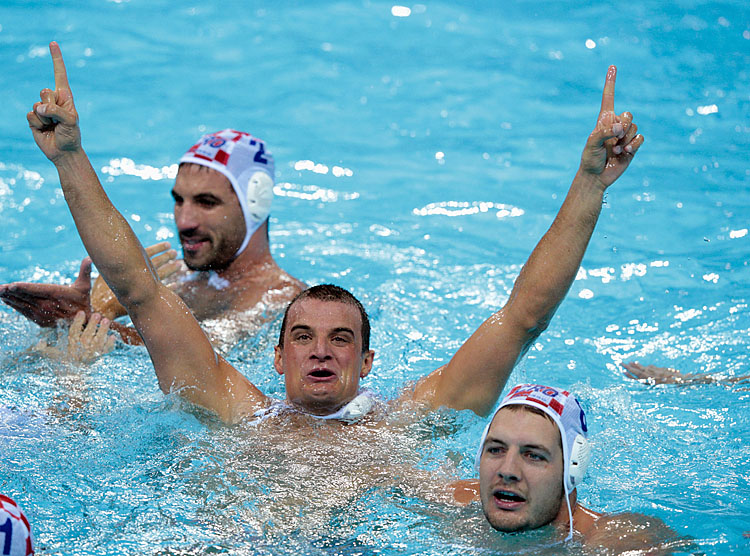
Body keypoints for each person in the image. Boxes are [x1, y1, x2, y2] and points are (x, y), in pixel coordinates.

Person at [25, 41, 641, 426]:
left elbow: (522, 317)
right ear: (277, 354)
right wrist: (70, 157)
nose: (320, 351)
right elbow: (139, 288)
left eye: (340, 339)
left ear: (367, 361)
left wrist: (590, 184)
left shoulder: (402, 429)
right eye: (303, 337)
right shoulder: (238, 412)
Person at [1, 125, 305, 350]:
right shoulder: (170, 275)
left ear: (256, 203)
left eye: (206, 202)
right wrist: (74, 315)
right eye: (179, 200)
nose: (184, 221)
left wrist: (95, 315)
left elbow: (198, 359)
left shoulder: (283, 302)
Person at [465, 384, 680, 551]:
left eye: (533, 456)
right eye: (495, 449)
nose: (508, 470)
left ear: (572, 469)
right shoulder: (455, 506)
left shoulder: (615, 542)